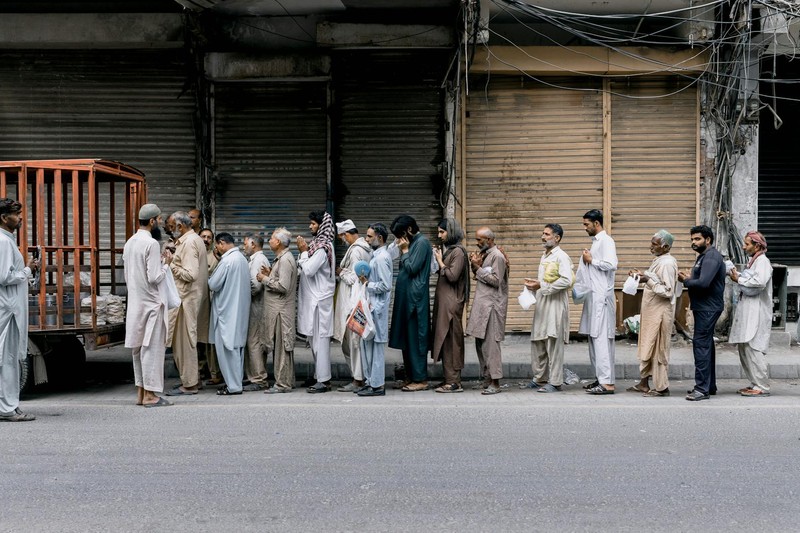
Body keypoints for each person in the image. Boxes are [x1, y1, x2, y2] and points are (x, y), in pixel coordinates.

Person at [122, 203, 173, 408]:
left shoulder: (130, 242)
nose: (160, 223)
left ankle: (141, 392)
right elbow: (154, 277)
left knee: (138, 350)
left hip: (136, 302)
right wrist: (167, 263)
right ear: (152, 221)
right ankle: (151, 396)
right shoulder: (151, 243)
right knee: (151, 349)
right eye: (159, 219)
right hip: (152, 303)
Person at [0, 198, 39, 422]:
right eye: (16, 214)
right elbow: (4, 277)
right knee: (9, 359)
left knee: (9, 359)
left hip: (9, 309)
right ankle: (8, 408)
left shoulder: (7, 241)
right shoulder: (4, 242)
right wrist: (27, 269)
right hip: (8, 311)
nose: (20, 218)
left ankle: (8, 406)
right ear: (4, 218)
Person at [627, 230, 678, 397]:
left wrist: (646, 279)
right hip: (651, 312)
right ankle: (643, 383)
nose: (651, 247)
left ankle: (662, 388)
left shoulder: (667, 263)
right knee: (647, 346)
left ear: (665, 247)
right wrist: (642, 275)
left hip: (660, 314)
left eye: (655, 244)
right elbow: (656, 279)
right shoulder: (660, 260)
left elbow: (667, 291)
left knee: (658, 350)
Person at [522, 223, 573, 393]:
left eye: (547, 234)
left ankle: (555, 381)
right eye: (543, 233)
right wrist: (535, 285)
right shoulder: (544, 256)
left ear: (557, 238)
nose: (543, 237)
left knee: (553, 341)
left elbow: (566, 280)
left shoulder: (562, 257)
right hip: (542, 302)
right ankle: (539, 378)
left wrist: (542, 286)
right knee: (539, 340)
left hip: (556, 303)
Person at [679, 225, 726, 401]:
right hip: (704, 307)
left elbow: (704, 283)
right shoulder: (704, 256)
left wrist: (686, 280)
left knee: (701, 346)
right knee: (706, 346)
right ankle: (709, 386)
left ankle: (701, 389)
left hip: (708, 308)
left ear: (708, 240)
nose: (693, 242)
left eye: (697, 239)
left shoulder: (712, 257)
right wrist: (690, 279)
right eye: (692, 239)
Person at [166, 211, 209, 396]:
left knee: (184, 344)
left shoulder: (190, 242)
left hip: (186, 299)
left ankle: (190, 384)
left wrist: (171, 265)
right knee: (186, 342)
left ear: (180, 226)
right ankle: (194, 380)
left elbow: (190, 274)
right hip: (186, 299)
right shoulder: (190, 240)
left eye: (170, 226)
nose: (169, 229)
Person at [389, 215, 433, 392]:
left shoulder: (422, 243)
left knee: (416, 339)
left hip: (415, 300)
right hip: (406, 298)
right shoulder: (412, 243)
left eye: (399, 235)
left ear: (408, 230)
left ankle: (420, 379)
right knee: (407, 340)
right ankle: (410, 376)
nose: (398, 240)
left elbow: (413, 268)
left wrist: (405, 251)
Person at [728, 231, 773, 397]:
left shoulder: (762, 262)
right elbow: (750, 279)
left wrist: (738, 279)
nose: (743, 247)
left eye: (747, 244)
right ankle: (754, 383)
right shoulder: (753, 261)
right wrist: (737, 276)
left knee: (754, 348)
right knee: (745, 348)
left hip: (758, 312)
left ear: (757, 246)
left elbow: (759, 282)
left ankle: (762, 386)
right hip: (748, 311)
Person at [579, 209, 618, 395]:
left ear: (596, 224)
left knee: (602, 339)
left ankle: (607, 383)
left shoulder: (606, 241)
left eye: (587, 224)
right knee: (594, 338)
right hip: (594, 297)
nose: (584, 228)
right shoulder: (596, 243)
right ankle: (600, 378)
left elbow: (611, 264)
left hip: (602, 297)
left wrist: (591, 260)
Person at [466, 226, 509, 395]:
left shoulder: (497, 256)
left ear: (489, 240)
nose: (477, 243)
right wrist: (475, 265)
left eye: (479, 240)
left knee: (491, 345)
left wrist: (477, 268)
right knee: (481, 344)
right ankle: (487, 378)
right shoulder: (487, 254)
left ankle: (495, 382)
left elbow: (496, 280)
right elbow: (481, 276)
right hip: (483, 305)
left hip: (492, 306)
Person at [297, 211, 336, 393]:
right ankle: (318, 376)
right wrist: (304, 253)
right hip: (315, 301)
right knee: (314, 342)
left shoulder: (322, 248)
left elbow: (309, 270)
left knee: (321, 342)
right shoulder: (317, 246)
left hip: (320, 302)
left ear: (321, 226)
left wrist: (304, 252)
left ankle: (324, 380)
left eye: (313, 224)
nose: (310, 226)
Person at [208, 232, 250, 395]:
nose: (216, 248)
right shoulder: (241, 259)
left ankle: (233, 386)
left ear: (222, 243)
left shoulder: (227, 261)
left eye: (217, 245)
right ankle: (236, 383)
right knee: (237, 350)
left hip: (226, 312)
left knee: (227, 350)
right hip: (239, 311)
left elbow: (213, 284)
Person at [332, 219, 372, 393]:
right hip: (357, 301)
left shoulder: (355, 251)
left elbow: (355, 278)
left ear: (346, 234)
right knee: (354, 343)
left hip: (352, 302)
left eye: (342, 237)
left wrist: (341, 273)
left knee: (351, 343)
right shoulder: (364, 248)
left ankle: (358, 379)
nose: (342, 240)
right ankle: (359, 377)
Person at [258, 228, 298, 394]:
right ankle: (287, 380)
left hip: (281, 312)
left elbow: (283, 286)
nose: (269, 241)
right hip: (278, 310)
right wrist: (271, 275)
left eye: (273, 239)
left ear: (279, 242)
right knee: (281, 348)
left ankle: (283, 384)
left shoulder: (286, 260)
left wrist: (264, 279)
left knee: (283, 348)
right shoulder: (281, 259)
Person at [431, 218, 469, 393]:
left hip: (452, 304)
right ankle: (449, 379)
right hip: (446, 303)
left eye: (442, 232)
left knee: (452, 342)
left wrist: (440, 261)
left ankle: (454, 382)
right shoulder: (452, 251)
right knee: (445, 341)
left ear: (451, 232)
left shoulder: (459, 252)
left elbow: (452, 276)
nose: (440, 236)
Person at [357, 223, 393, 397]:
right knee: (367, 347)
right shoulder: (375, 255)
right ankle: (371, 382)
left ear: (379, 238)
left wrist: (367, 284)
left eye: (370, 236)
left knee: (376, 348)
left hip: (377, 309)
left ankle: (377, 385)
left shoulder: (381, 258)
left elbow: (386, 285)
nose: (367, 239)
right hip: (371, 308)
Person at [242, 233, 271, 391]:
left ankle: (259, 379)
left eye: (245, 243)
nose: (243, 246)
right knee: (252, 342)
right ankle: (253, 375)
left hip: (257, 307)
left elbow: (256, 285)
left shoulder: (259, 260)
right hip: (254, 307)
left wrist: (243, 294)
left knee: (254, 342)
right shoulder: (255, 259)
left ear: (253, 244)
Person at [198, 227, 221, 385]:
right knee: (197, 341)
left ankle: (215, 374)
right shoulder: (195, 254)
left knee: (210, 342)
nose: (206, 239)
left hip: (211, 303)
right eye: (203, 237)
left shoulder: (215, 257)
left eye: (208, 237)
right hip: (197, 303)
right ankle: (200, 371)